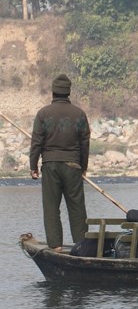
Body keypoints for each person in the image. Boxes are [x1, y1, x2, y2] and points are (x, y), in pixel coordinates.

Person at [29, 73, 91, 251]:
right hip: (73, 166)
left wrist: (33, 166)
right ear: (68, 93)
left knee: (51, 208)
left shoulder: (43, 114)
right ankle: (82, 246)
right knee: (77, 208)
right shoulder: (79, 114)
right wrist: (83, 167)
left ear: (53, 92)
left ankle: (55, 247)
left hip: (50, 165)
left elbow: (36, 142)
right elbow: (85, 144)